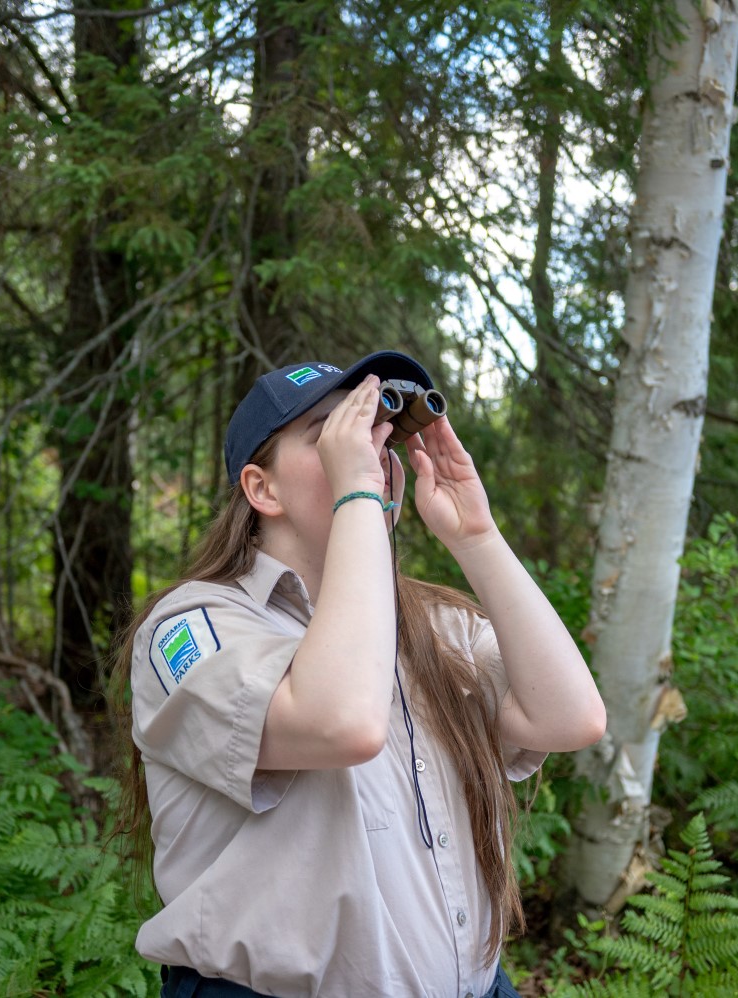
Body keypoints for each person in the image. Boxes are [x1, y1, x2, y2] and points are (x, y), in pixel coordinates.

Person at [116, 350, 606, 998]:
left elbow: (570, 718)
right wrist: (355, 498)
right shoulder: (191, 626)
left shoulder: (429, 624)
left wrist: (476, 534)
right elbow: (341, 721)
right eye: (335, 435)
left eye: (378, 434)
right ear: (262, 488)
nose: (369, 454)